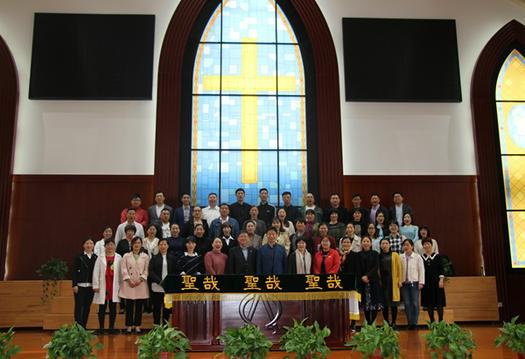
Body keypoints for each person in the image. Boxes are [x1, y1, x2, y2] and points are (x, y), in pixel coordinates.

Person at [120, 237, 149, 334]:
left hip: (141, 283)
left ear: (141, 244)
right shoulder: (126, 256)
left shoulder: (145, 256)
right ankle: (128, 326)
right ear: (132, 244)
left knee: (139, 306)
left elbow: (146, 270)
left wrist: (141, 279)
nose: (137, 244)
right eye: (135, 243)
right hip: (129, 283)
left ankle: (137, 326)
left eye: (139, 243)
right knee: (129, 306)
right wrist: (129, 280)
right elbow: (123, 269)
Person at [92, 238, 121, 334]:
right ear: (105, 247)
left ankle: (111, 328)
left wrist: (121, 286)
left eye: (112, 245)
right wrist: (96, 285)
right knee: (102, 307)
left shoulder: (119, 257)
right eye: (108, 245)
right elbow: (96, 272)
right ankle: (101, 328)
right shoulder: (100, 257)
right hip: (103, 284)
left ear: (115, 246)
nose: (110, 247)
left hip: (114, 284)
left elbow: (120, 273)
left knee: (113, 307)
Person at [149, 238, 177, 325]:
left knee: (167, 308)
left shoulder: (172, 258)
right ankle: (156, 327)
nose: (163, 246)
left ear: (168, 246)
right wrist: (160, 281)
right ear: (158, 246)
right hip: (157, 286)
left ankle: (165, 327)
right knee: (157, 308)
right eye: (161, 244)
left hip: (168, 286)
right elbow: (151, 271)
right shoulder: (154, 258)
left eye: (165, 244)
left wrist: (168, 281)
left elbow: (174, 271)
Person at [400, 239, 425, 330]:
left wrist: (421, 282)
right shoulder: (400, 257)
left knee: (414, 303)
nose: (405, 247)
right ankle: (410, 323)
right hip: (404, 284)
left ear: (412, 246)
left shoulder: (417, 257)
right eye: (404, 245)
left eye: (407, 245)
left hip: (414, 283)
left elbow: (421, 270)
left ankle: (415, 323)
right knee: (407, 303)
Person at [357, 236, 383, 324]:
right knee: (366, 304)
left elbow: (376, 267)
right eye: (364, 241)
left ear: (371, 243)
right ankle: (368, 321)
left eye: (367, 241)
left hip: (373, 280)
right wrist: (362, 277)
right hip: (362, 282)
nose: (365, 243)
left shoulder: (375, 254)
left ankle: (372, 322)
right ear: (361, 243)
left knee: (374, 303)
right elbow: (358, 268)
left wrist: (367, 276)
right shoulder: (359, 254)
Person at [72, 238, 97, 328]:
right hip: (80, 286)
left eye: (91, 243)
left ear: (93, 245)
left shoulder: (96, 258)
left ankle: (84, 326)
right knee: (79, 307)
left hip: (91, 287)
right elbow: (74, 271)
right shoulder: (79, 257)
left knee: (87, 307)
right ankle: (78, 327)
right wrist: (74, 284)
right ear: (83, 245)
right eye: (87, 243)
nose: (89, 245)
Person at [420, 238, 446, 323]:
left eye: (428, 244)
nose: (427, 245)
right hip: (426, 283)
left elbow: (441, 269)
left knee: (439, 302)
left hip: (436, 282)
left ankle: (441, 321)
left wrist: (441, 280)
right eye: (425, 244)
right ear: (423, 246)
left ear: (432, 245)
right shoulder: (421, 258)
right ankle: (432, 322)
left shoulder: (438, 257)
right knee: (429, 303)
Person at [378, 238, 402, 329]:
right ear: (380, 245)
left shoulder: (395, 255)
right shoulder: (379, 256)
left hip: (393, 282)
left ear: (389, 245)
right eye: (383, 243)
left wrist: (400, 280)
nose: (384, 245)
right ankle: (386, 322)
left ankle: (394, 322)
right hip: (383, 282)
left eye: (386, 243)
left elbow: (399, 268)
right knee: (384, 304)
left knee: (393, 304)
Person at [339, 236, 360, 332]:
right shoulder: (338, 254)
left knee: (353, 303)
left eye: (348, 242)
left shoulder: (355, 255)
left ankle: (353, 324)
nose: (346, 244)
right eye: (344, 242)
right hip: (340, 282)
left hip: (352, 282)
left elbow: (357, 270)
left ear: (351, 244)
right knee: (342, 303)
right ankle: (343, 323)